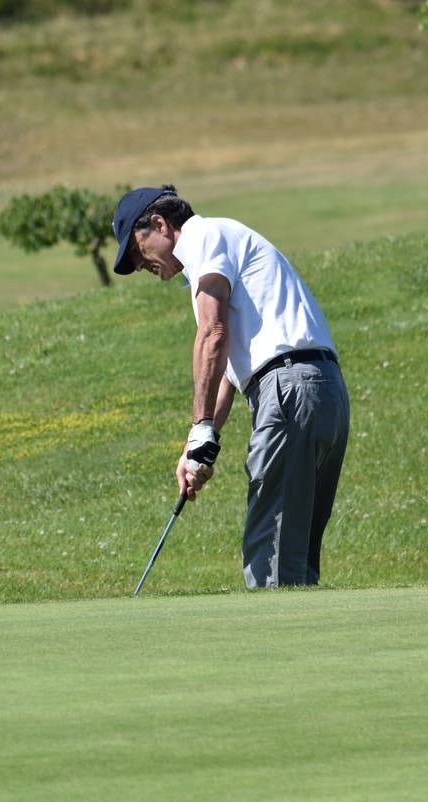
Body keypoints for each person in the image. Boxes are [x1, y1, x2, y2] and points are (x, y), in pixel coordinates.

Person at [111, 185, 350, 588]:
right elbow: (226, 369)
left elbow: (213, 333)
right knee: (295, 559)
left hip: (288, 389)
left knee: (269, 559)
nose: (138, 265)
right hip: (323, 390)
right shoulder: (222, 244)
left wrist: (201, 426)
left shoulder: (202, 237)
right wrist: (199, 445)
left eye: (136, 250)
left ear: (160, 224)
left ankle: (277, 649)